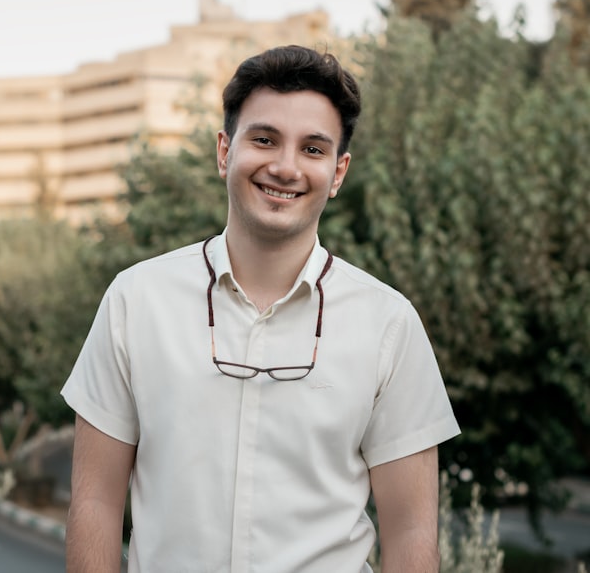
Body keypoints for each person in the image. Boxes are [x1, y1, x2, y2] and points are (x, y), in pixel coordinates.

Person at [61, 45, 460, 573]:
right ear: (224, 151)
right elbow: (95, 504)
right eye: (265, 139)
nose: (285, 166)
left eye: (313, 149)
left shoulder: (389, 324)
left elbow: (410, 532)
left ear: (338, 173)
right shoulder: (135, 301)